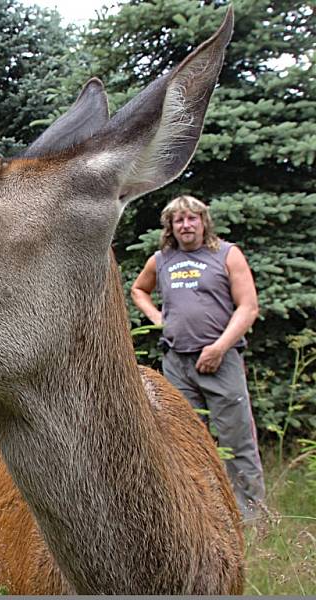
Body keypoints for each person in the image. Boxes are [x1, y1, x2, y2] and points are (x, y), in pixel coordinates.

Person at [131, 194, 266, 522]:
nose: (186, 225)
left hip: (222, 361)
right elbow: (139, 290)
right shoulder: (162, 260)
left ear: (204, 222)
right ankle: (201, 514)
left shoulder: (227, 255)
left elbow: (248, 307)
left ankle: (250, 517)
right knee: (184, 440)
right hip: (177, 363)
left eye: (192, 218)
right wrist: (159, 319)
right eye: (179, 220)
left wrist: (220, 347)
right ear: (170, 227)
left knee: (236, 440)